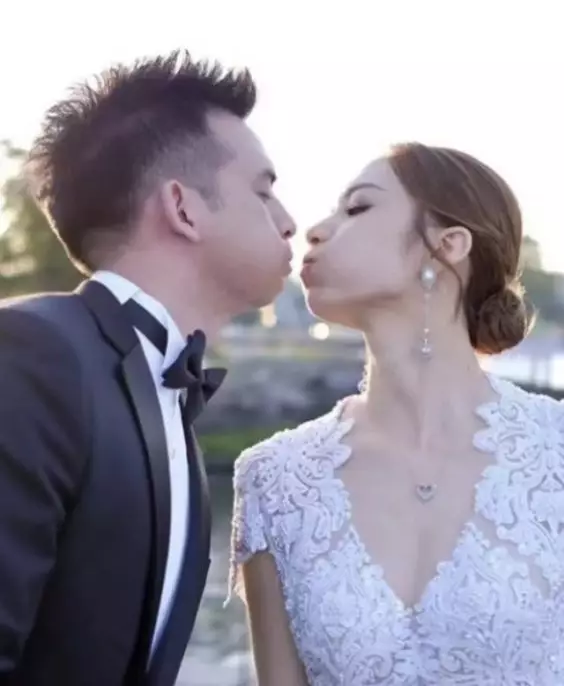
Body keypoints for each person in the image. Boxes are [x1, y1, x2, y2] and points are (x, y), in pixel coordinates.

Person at [0, 50, 295, 686]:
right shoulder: (29, 353)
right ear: (184, 209)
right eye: (263, 191)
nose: (288, 221)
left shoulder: (166, 405)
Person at [228, 142, 564, 685]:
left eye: (358, 208)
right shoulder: (273, 479)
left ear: (448, 246)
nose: (315, 230)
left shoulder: (557, 449)